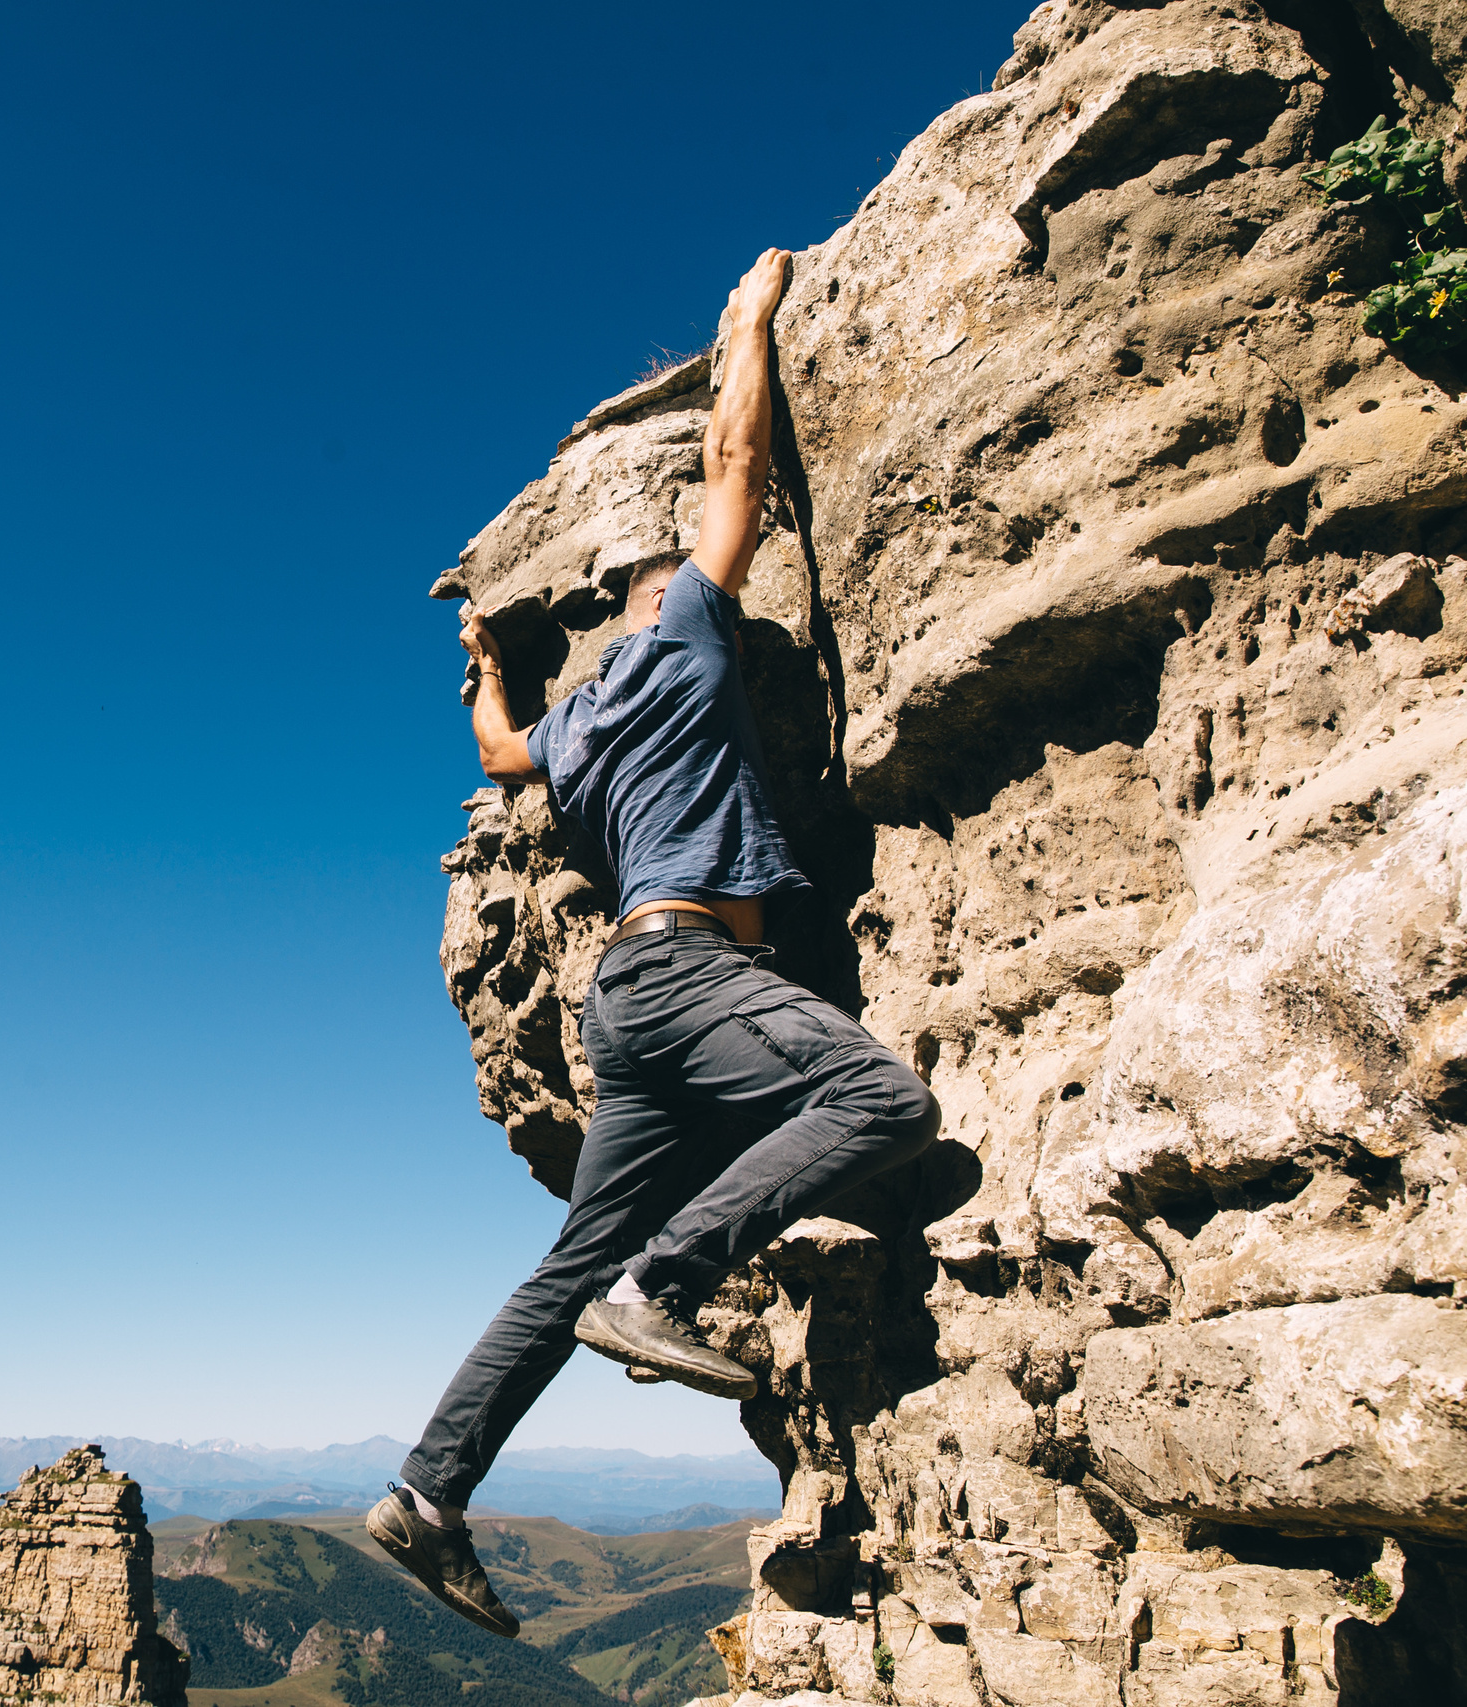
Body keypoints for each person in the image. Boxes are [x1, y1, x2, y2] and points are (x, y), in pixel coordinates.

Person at [365, 249, 941, 1639]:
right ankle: (666, 1282)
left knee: (563, 1270)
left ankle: (428, 1494)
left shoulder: (573, 726)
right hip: (693, 972)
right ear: (660, 596)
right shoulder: (687, 633)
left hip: (622, 998)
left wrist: (490, 669)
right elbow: (738, 460)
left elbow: (500, 746)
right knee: (884, 1100)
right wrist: (749, 325)